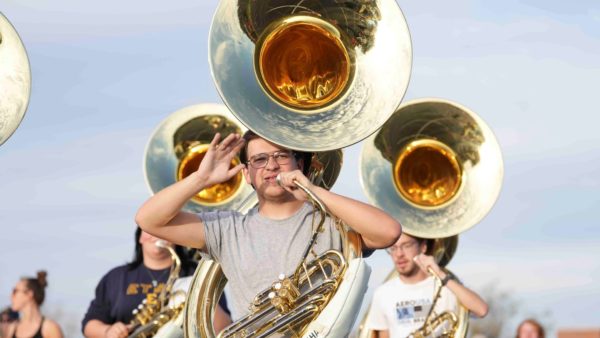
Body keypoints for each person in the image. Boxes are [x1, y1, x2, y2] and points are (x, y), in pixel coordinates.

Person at [135, 131, 402, 320]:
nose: (271, 166)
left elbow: (389, 232)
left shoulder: (332, 222)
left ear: (300, 164)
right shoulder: (227, 228)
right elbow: (148, 220)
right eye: (259, 160)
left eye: (281, 156)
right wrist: (200, 178)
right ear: (247, 175)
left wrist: (311, 191)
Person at [82, 227, 231, 338]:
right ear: (140, 237)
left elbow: (223, 328)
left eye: (164, 228)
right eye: (149, 228)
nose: (156, 234)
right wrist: (108, 331)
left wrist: (200, 294)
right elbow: (89, 324)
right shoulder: (117, 277)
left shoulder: (199, 272)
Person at [365, 233, 489, 338]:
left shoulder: (447, 287)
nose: (399, 254)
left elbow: (481, 310)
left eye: (406, 245)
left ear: (423, 246)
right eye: (393, 248)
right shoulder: (382, 293)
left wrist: (441, 275)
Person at [1, 271, 63, 338]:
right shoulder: (10, 330)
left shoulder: (50, 328)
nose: (11, 296)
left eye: (15, 291)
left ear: (29, 294)